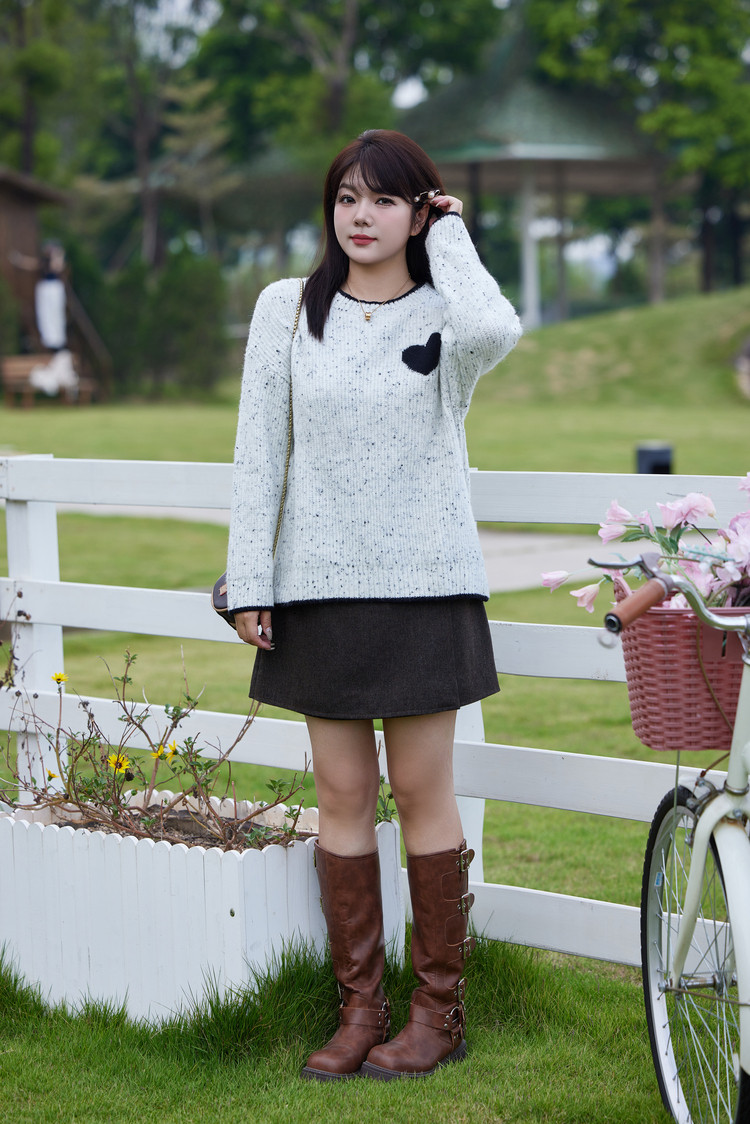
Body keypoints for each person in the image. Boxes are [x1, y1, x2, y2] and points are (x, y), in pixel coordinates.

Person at [226, 129, 522, 1081]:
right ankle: (361, 1010)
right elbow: (259, 452)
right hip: (318, 588)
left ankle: (439, 1014)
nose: (361, 216)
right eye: (347, 197)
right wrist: (249, 580)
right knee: (342, 797)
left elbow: (497, 329)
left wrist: (453, 237)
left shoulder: (448, 315)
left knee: (425, 793)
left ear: (419, 212)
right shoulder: (285, 309)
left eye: (387, 200)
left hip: (427, 587)